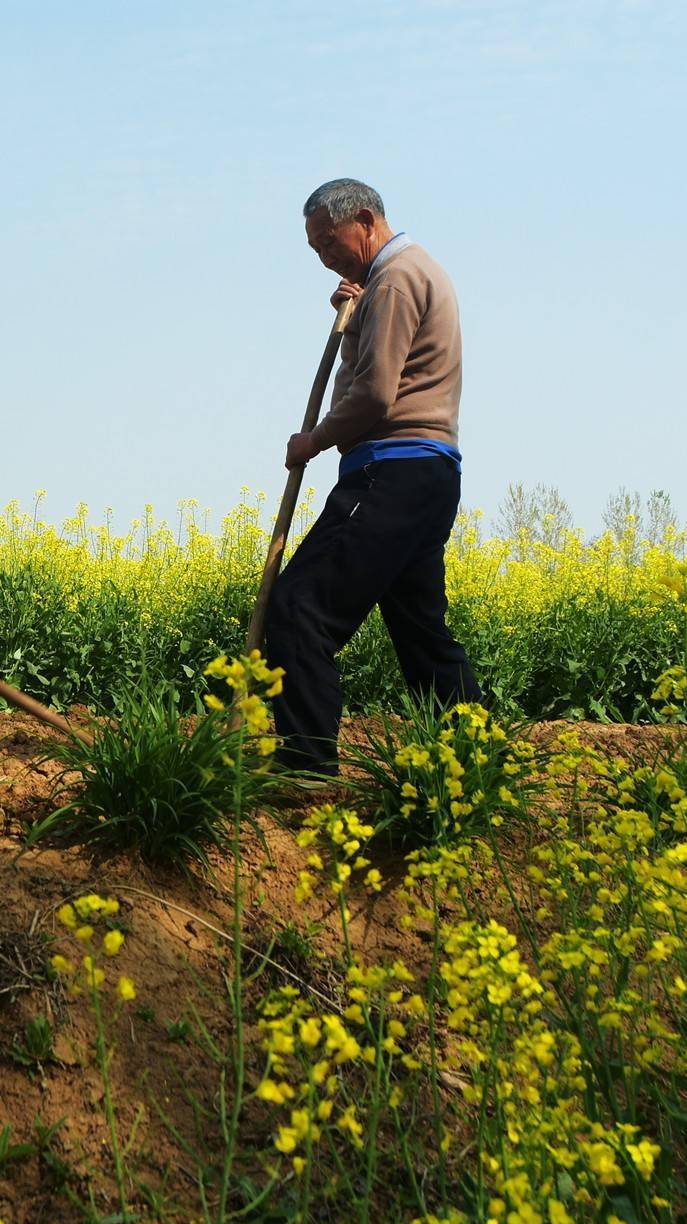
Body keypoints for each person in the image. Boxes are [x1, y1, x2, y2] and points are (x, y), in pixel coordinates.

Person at [265, 180, 482, 777]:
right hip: (429, 474)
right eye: (315, 249)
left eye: (328, 242)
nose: (323, 257)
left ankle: (305, 767)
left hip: (391, 470)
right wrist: (356, 313)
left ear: (363, 219)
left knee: (299, 607)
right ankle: (471, 766)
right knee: (421, 633)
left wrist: (314, 440)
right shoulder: (400, 276)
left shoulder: (395, 279)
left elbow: (377, 394)